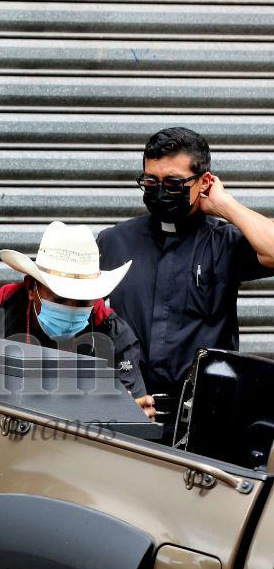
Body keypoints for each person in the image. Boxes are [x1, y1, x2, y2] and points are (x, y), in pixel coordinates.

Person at [97, 127, 274, 439]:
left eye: (174, 183)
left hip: (207, 423)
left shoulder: (225, 243)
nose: (160, 190)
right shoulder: (114, 242)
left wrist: (225, 205)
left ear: (203, 182)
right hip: (130, 416)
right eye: (150, 181)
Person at [0, 221, 151, 413]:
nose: (71, 310)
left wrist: (134, 415)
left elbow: (132, 413)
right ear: (31, 288)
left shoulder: (113, 334)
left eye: (82, 302)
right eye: (61, 299)